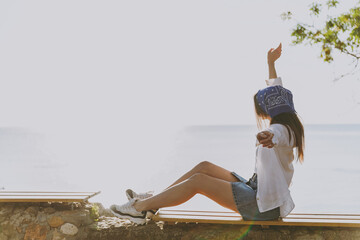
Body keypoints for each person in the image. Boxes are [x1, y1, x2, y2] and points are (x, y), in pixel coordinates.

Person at [110, 43, 305, 225]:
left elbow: (275, 135)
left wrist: (267, 136)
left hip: (263, 207)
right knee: (204, 167)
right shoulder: (289, 124)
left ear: (270, 108)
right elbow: (276, 89)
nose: (260, 113)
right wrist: (270, 63)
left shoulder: (283, 131)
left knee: (198, 182)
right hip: (257, 189)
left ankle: (140, 208)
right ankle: (154, 201)